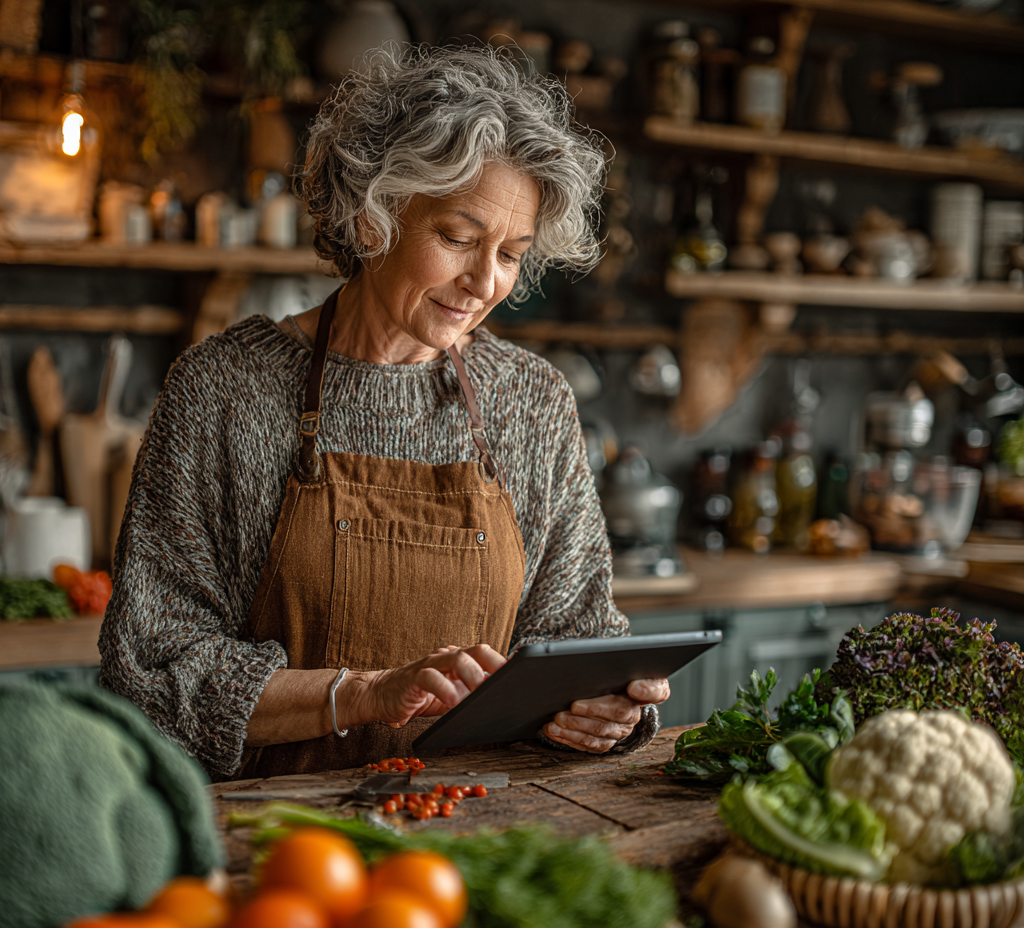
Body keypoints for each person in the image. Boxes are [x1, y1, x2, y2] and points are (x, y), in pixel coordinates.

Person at [100, 43, 670, 781]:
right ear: (375, 216)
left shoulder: (531, 402)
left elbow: (576, 635)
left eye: (510, 253)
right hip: (273, 841)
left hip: (485, 830)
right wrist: (368, 694)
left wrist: (605, 709)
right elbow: (151, 677)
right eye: (458, 238)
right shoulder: (224, 391)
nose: (483, 282)